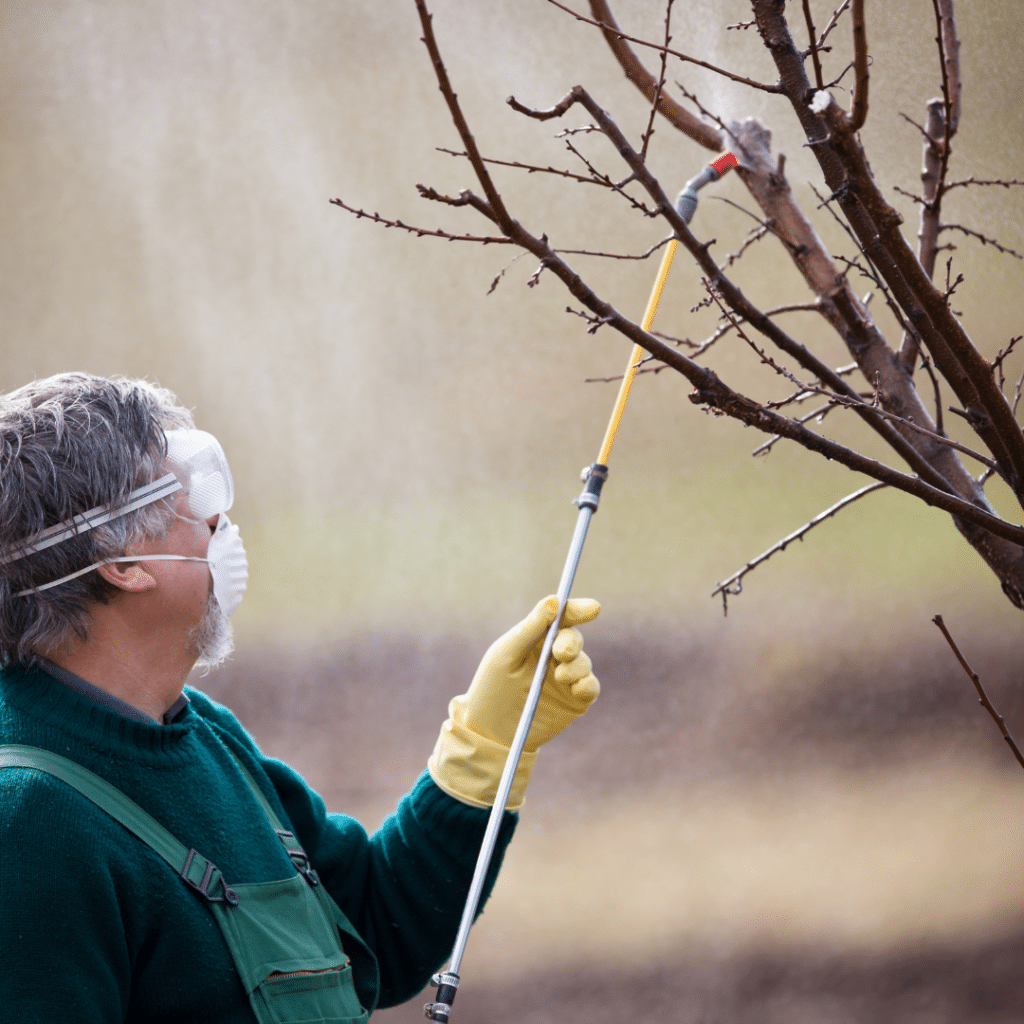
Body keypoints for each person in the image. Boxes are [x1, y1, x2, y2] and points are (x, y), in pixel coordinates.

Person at [0, 372, 601, 1023]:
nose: (218, 518)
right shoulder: (27, 824)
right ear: (120, 560)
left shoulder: (207, 737)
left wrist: (483, 749)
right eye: (191, 498)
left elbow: (374, 929)